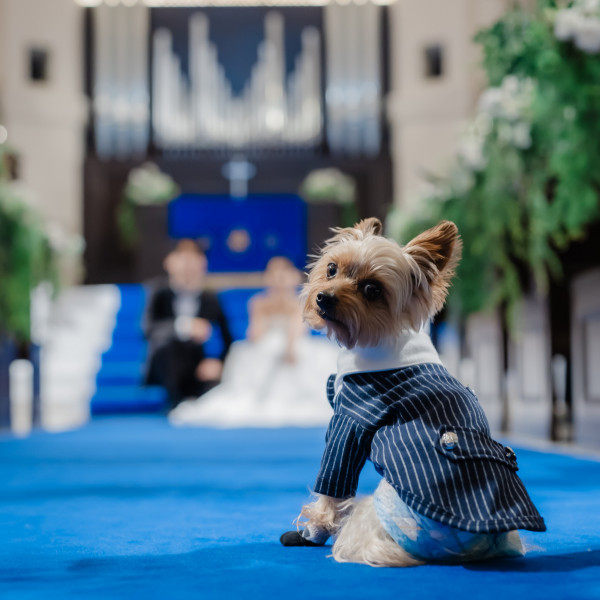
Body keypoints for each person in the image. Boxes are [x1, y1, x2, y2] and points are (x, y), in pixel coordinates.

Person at [169, 257, 338, 428]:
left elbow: (297, 331)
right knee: (267, 348)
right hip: (266, 348)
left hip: (292, 348)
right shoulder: (259, 302)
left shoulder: (299, 302)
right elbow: (255, 335)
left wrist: (289, 346)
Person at [144, 239, 233, 408]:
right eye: (183, 260)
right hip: (167, 366)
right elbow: (148, 329)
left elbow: (227, 339)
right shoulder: (158, 292)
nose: (188, 267)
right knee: (169, 347)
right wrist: (184, 326)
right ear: (170, 262)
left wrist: (218, 362)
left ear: (203, 264)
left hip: (198, 368)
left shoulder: (211, 298)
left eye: (193, 260)